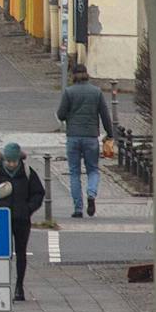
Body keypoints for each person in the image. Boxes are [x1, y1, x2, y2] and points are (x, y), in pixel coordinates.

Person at [56, 60, 114, 219]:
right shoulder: (96, 92)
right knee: (93, 169)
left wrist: (70, 115)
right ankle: (91, 194)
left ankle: (78, 209)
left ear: (73, 75)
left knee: (74, 173)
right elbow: (105, 115)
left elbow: (60, 115)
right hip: (91, 137)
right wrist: (110, 134)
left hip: (73, 137)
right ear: (87, 75)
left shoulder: (69, 92)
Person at [0, 142, 45, 301]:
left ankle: (19, 286)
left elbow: (38, 193)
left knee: (21, 252)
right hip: (1, 220)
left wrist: (28, 208)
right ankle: (3, 285)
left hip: (22, 219)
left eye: (14, 161)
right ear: (3, 160)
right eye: (8, 161)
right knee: (3, 253)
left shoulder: (28, 172)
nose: (11, 164)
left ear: (19, 160)